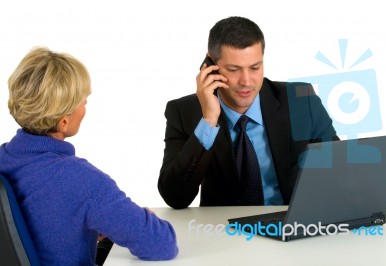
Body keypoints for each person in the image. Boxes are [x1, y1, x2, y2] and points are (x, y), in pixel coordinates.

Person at [0, 47, 178, 265]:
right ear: (63, 121)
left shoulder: (3, 159)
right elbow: (162, 244)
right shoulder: (81, 180)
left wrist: (88, 227)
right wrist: (140, 219)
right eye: (83, 102)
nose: (85, 107)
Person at [158, 16, 339, 209]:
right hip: (224, 231)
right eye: (234, 69)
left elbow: (338, 172)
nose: (246, 81)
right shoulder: (183, 112)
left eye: (255, 68)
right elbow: (175, 197)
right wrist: (209, 120)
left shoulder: (302, 100)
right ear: (210, 65)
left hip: (292, 226)